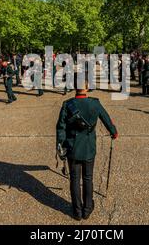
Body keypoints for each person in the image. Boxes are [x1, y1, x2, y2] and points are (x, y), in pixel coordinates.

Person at [56, 82, 118, 221]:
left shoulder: (67, 104)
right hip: (89, 148)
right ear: (87, 86)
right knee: (88, 178)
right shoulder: (94, 103)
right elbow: (107, 120)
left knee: (74, 179)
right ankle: (87, 209)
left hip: (72, 148)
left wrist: (60, 145)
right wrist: (113, 132)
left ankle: (77, 211)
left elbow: (60, 127)